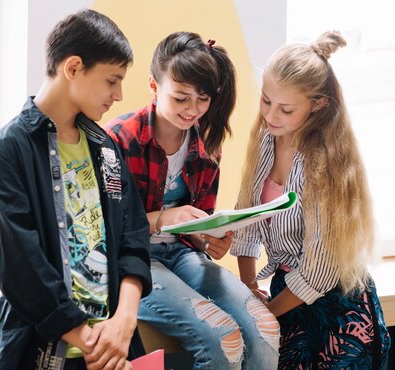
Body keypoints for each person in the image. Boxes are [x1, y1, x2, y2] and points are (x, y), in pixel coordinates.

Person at [0, 9, 152, 370]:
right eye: (111, 80)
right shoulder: (8, 150)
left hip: (116, 346)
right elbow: (19, 266)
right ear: (73, 68)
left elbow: (134, 237)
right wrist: (92, 343)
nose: (118, 95)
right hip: (45, 351)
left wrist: (124, 323)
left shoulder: (106, 146)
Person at [104, 31, 280, 370]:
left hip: (181, 255)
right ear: (154, 87)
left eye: (202, 99)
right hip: (131, 262)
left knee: (266, 327)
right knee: (223, 337)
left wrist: (210, 238)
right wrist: (161, 219)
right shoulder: (120, 138)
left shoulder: (207, 145)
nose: (192, 110)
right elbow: (103, 232)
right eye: (181, 98)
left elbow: (198, 225)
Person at [231, 31, 391, 369]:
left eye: (286, 109)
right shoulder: (265, 138)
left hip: (337, 310)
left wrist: (261, 314)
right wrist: (248, 287)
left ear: (317, 105)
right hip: (286, 297)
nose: (271, 116)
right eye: (265, 100)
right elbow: (245, 217)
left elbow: (319, 271)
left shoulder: (324, 161)